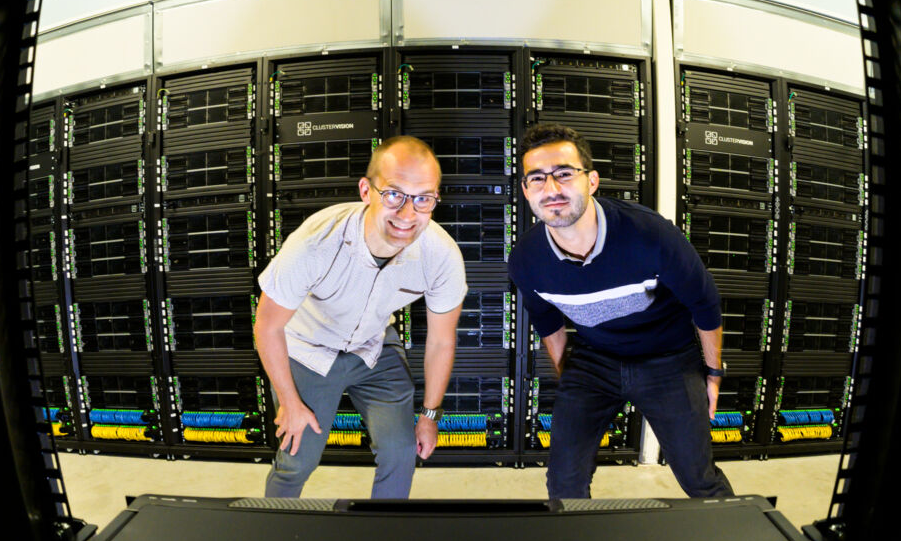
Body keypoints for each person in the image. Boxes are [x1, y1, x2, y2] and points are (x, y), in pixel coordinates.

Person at [508, 123, 733, 498]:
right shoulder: (526, 261)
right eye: (537, 179)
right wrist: (573, 387)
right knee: (564, 481)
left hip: (669, 359)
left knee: (699, 478)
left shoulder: (650, 235)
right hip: (594, 360)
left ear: (591, 181)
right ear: (526, 190)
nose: (551, 190)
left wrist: (712, 372)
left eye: (564, 174)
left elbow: (704, 303)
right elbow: (548, 324)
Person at [254, 136, 467, 498]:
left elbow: (442, 340)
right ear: (366, 190)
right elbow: (268, 325)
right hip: (307, 349)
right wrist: (289, 402)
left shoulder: (442, 255)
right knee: (297, 459)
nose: (407, 213)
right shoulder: (316, 241)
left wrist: (430, 416)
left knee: (401, 453)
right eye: (394, 194)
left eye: (423, 198)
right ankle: (274, 535)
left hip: (373, 346)